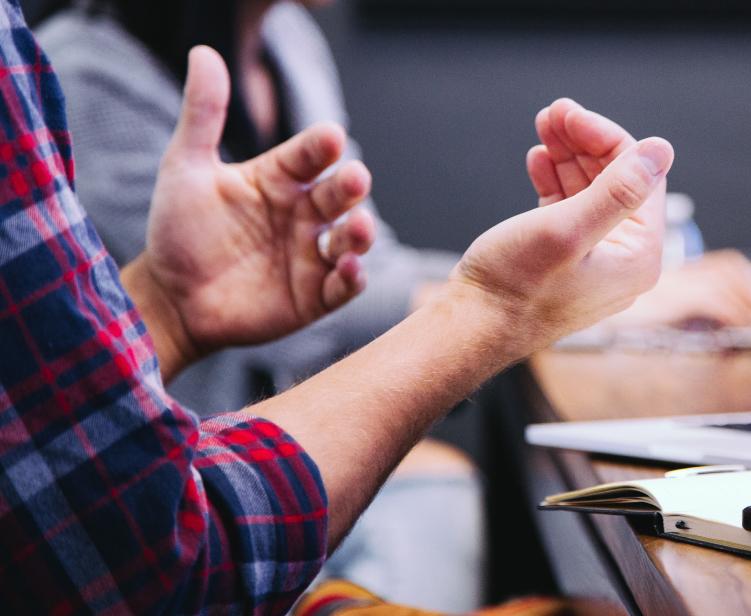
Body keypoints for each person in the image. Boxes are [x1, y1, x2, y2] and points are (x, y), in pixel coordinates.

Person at [0, 0, 676, 612]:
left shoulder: (288, 41)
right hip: (206, 516)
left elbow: (362, 268)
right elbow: (151, 563)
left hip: (228, 496)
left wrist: (169, 309)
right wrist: (503, 305)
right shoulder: (85, 73)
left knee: (444, 490)